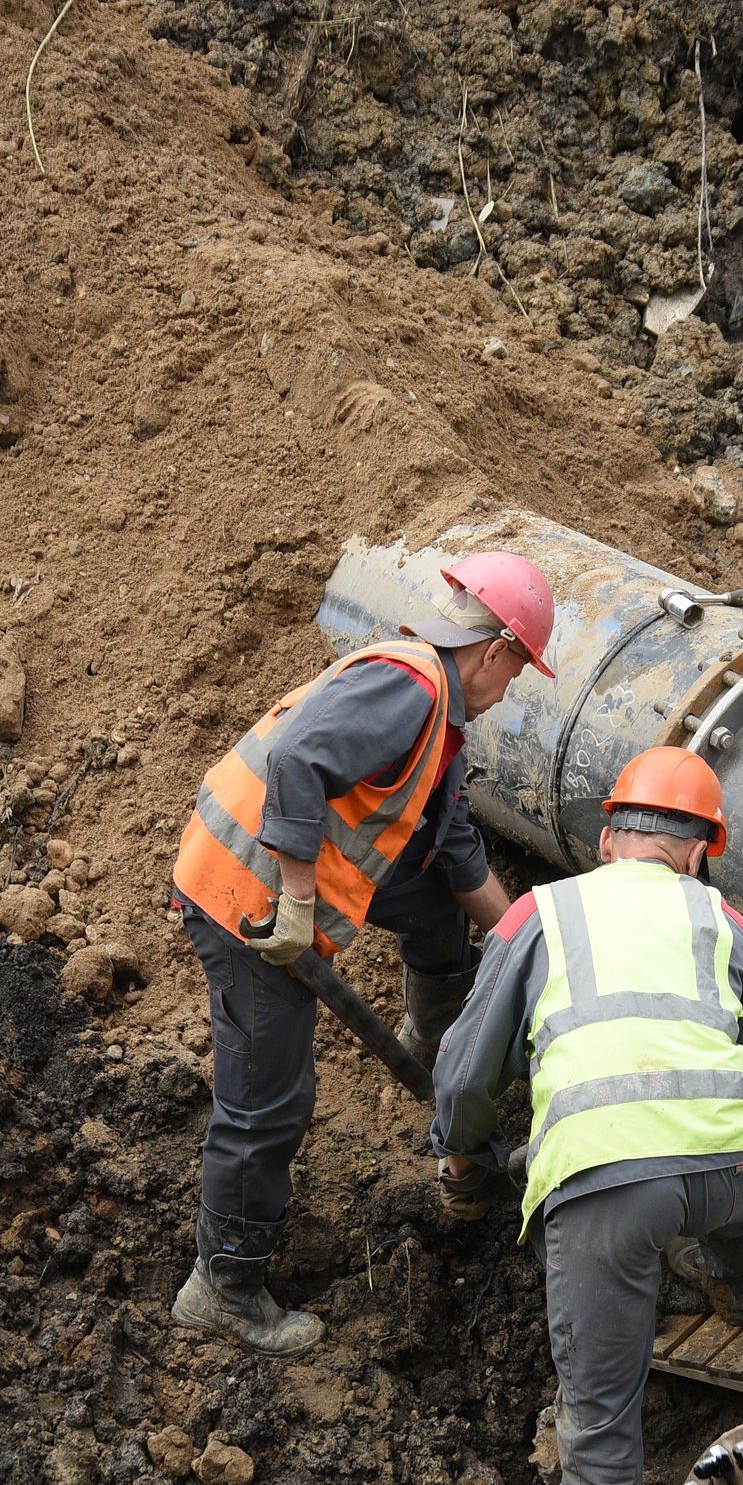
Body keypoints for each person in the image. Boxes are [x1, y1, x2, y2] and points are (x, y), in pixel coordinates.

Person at [167, 551, 557, 1355]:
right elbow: (296, 762)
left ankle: (433, 1043)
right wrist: (299, 904)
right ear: (494, 653)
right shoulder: (408, 687)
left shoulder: (440, 721)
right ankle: (225, 1285)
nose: (508, 691)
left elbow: (450, 852)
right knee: (269, 1100)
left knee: (436, 909)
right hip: (247, 896)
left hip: (281, 881)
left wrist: (537, 943)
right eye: (516, 675)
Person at [428, 746, 743, 1485]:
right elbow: (732, 1031)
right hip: (735, 1160)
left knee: (598, 1402)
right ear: (699, 852)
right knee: (701, 1168)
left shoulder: (541, 912)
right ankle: (740, 1286)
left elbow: (466, 1071)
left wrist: (467, 1154)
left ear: (609, 837)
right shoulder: (726, 923)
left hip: (615, 1185)